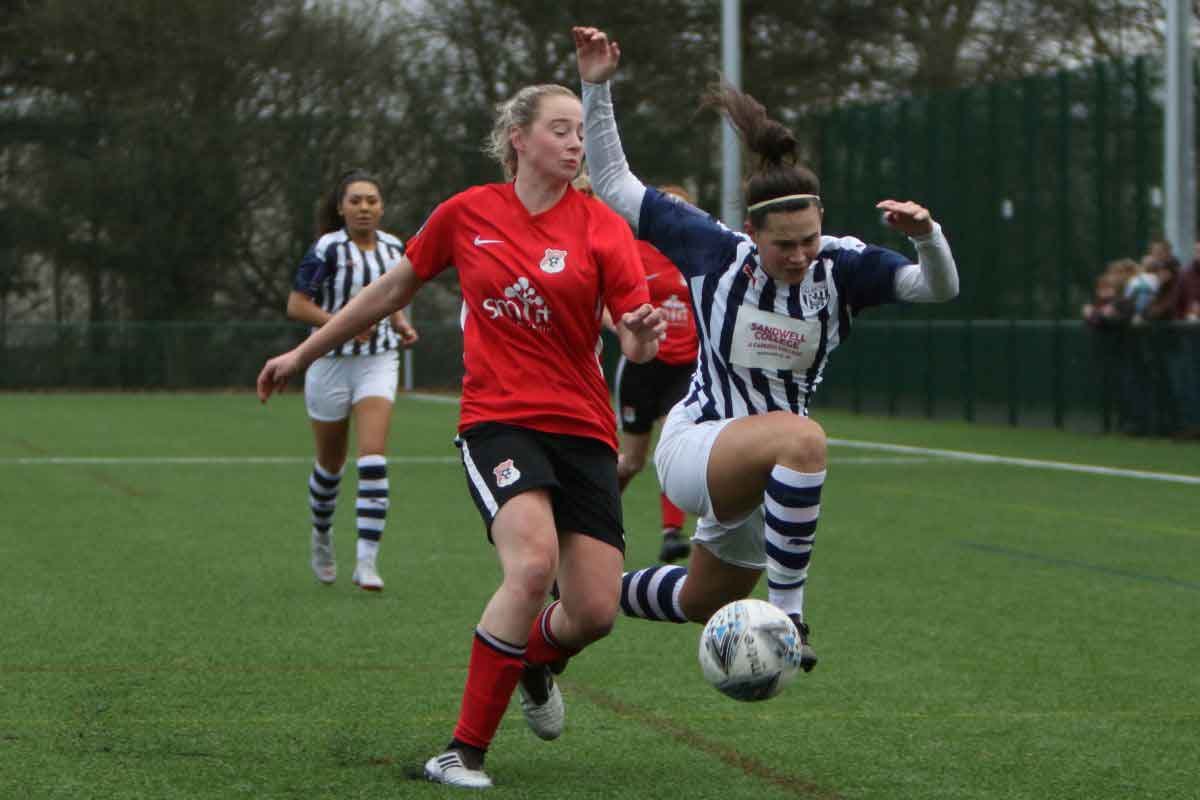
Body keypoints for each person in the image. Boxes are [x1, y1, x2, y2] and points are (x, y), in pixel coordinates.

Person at [257, 84, 665, 789]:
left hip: (583, 429)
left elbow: (634, 340)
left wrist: (642, 335)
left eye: (579, 133)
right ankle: (462, 751)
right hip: (498, 421)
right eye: (561, 131)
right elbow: (388, 293)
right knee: (531, 566)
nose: (575, 144)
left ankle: (535, 661)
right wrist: (306, 352)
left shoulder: (601, 226)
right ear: (519, 138)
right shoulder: (468, 213)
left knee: (595, 611)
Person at [573, 26, 960, 671]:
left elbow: (935, 289)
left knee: (703, 600)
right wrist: (595, 86)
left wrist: (929, 235)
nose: (801, 255)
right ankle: (793, 616)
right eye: (785, 245)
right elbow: (612, 182)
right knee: (804, 437)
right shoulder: (710, 249)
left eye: (809, 238)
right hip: (699, 444)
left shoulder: (842, 266)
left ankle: (575, 599)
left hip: (768, 475)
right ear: (751, 232)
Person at [286, 169, 418, 592]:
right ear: (341, 207)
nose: (364, 208)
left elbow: (393, 294)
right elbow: (297, 304)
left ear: (381, 207)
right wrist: (340, 324)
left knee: (374, 457)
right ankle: (322, 537)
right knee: (330, 467)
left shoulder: (396, 248)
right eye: (356, 201)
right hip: (328, 363)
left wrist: (398, 324)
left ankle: (367, 561)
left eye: (372, 201)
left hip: (377, 360)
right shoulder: (327, 249)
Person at [575, 172, 701, 561]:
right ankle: (586, 515)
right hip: (643, 367)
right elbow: (602, 302)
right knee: (630, 461)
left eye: (683, 206)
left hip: (684, 367)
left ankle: (670, 533)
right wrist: (621, 326)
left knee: (674, 442)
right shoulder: (632, 249)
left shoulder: (700, 253)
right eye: (668, 205)